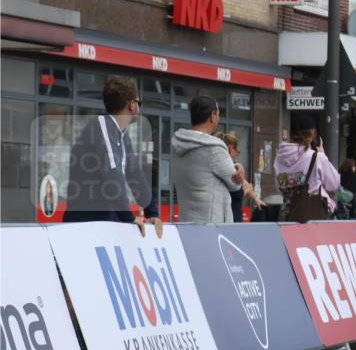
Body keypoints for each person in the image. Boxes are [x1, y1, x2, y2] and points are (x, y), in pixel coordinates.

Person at [64, 75, 163, 237]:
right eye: (139, 103)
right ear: (132, 105)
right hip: (86, 226)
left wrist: (152, 212)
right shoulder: (102, 126)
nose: (139, 107)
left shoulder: (121, 133)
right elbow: (112, 175)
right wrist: (129, 217)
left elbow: (135, 174)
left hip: (105, 223)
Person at [171, 96, 245, 224]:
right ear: (213, 115)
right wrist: (239, 171)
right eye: (218, 114)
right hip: (212, 227)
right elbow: (236, 187)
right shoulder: (214, 148)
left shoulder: (178, 143)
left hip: (186, 223)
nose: (219, 118)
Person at [274, 114, 341, 222]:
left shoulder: (280, 156)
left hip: (290, 214)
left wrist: (298, 179)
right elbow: (334, 184)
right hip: (313, 215)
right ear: (312, 135)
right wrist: (323, 155)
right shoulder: (317, 157)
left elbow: (280, 185)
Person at [217, 133, 265, 222]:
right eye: (236, 148)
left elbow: (244, 183)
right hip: (228, 216)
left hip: (235, 214)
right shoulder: (225, 167)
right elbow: (235, 193)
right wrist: (246, 190)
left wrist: (256, 199)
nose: (238, 152)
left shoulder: (233, 165)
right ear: (230, 148)